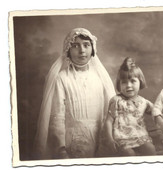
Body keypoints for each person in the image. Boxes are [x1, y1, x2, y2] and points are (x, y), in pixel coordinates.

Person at [33, 28, 116, 159]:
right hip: (73, 141)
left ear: (93, 48)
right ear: (68, 50)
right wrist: (61, 148)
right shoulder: (62, 78)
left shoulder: (100, 77)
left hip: (101, 138)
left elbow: (110, 110)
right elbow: (57, 116)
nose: (82, 50)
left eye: (86, 45)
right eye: (75, 46)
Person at [104, 57, 156, 156]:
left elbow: (156, 112)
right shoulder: (116, 101)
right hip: (122, 137)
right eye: (124, 82)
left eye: (133, 81)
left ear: (140, 82)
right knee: (129, 154)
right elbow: (108, 121)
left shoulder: (143, 102)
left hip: (140, 135)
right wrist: (110, 139)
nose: (128, 85)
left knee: (151, 149)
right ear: (119, 85)